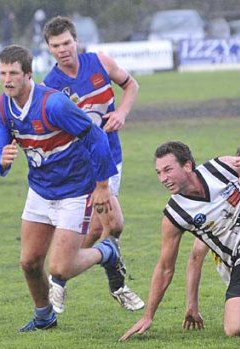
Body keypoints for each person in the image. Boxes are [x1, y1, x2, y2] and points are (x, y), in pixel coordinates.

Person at [0, 44, 126, 332]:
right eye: (2, 73)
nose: (7, 79)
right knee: (29, 262)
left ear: (28, 75)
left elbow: (97, 138)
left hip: (76, 189)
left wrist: (101, 185)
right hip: (40, 190)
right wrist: (0, 159)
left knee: (60, 268)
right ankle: (44, 316)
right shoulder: (2, 107)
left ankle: (107, 252)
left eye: (13, 73)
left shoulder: (53, 104)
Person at [120, 141, 240, 341]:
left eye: (167, 170)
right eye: (159, 173)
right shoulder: (175, 215)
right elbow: (166, 268)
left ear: (187, 165)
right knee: (236, 328)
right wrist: (148, 315)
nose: (163, 178)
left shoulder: (219, 167)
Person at [42, 16, 144, 313]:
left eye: (66, 43)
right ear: (49, 49)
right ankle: (115, 282)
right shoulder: (50, 86)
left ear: (76, 41)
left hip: (113, 156)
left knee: (99, 227)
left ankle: (59, 277)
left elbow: (132, 85)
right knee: (114, 224)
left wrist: (122, 113)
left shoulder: (100, 62)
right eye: (55, 46)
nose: (62, 50)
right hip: (83, 166)